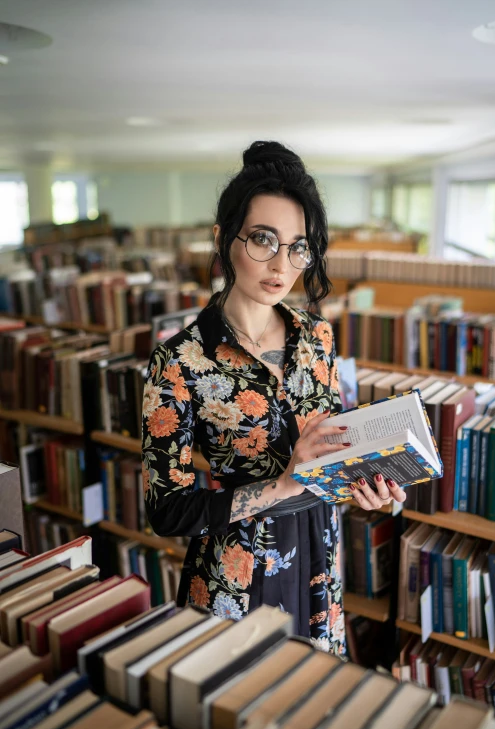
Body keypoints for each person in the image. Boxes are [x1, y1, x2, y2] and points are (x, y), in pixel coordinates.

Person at [141, 141, 406, 656]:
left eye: (298, 246)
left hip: (319, 564)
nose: (281, 264)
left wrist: (369, 484)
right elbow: (167, 513)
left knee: (312, 718)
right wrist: (283, 484)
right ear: (223, 238)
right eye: (263, 239)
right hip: (234, 579)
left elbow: (328, 449)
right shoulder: (179, 361)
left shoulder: (319, 338)